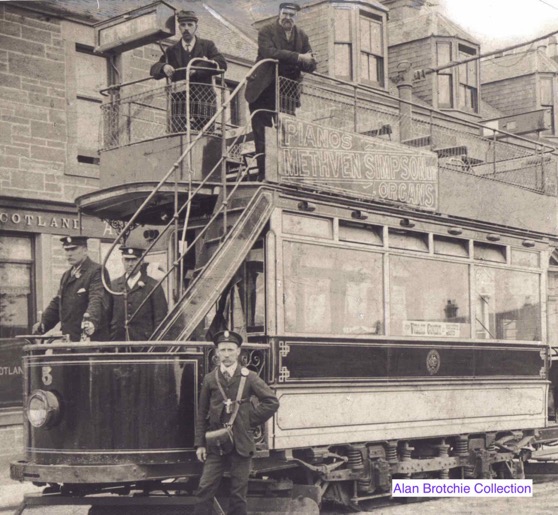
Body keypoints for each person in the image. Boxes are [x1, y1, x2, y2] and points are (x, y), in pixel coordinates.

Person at [194, 330, 279, 515]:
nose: (226, 354)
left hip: (241, 443)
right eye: (222, 350)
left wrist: (248, 420)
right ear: (216, 352)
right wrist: (200, 444)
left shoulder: (249, 376)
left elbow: (272, 402)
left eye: (230, 350)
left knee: (238, 494)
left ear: (238, 351)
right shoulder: (210, 379)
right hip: (216, 444)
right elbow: (201, 413)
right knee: (204, 489)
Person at [247, 2, 317, 180]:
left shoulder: (302, 35)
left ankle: (285, 175)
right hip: (263, 89)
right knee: (262, 133)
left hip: (287, 91)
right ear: (279, 13)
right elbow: (269, 52)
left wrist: (310, 61)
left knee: (286, 132)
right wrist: (299, 57)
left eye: (292, 15)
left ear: (296, 17)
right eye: (285, 14)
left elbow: (311, 64)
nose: (288, 18)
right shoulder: (266, 31)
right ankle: (264, 174)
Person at [150, 10, 227, 132]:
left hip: (204, 102)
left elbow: (222, 63)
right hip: (180, 104)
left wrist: (197, 69)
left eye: (190, 25)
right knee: (178, 139)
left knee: (206, 139)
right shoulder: (171, 50)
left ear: (196, 26)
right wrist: (163, 67)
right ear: (179, 27)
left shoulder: (207, 46)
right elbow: (154, 70)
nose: (186, 28)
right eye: (183, 25)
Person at [33, 236, 112, 342]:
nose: (69, 253)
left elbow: (97, 298)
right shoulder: (67, 275)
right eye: (67, 249)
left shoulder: (97, 271)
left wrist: (90, 321)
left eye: (73, 249)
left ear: (85, 250)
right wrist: (43, 323)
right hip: (69, 339)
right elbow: (58, 302)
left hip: (89, 339)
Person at [110, 246, 168, 341]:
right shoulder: (114, 285)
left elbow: (160, 318)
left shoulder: (153, 285)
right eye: (127, 260)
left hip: (143, 343)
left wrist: (155, 344)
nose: (130, 264)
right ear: (122, 261)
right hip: (118, 343)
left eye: (134, 260)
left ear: (141, 261)